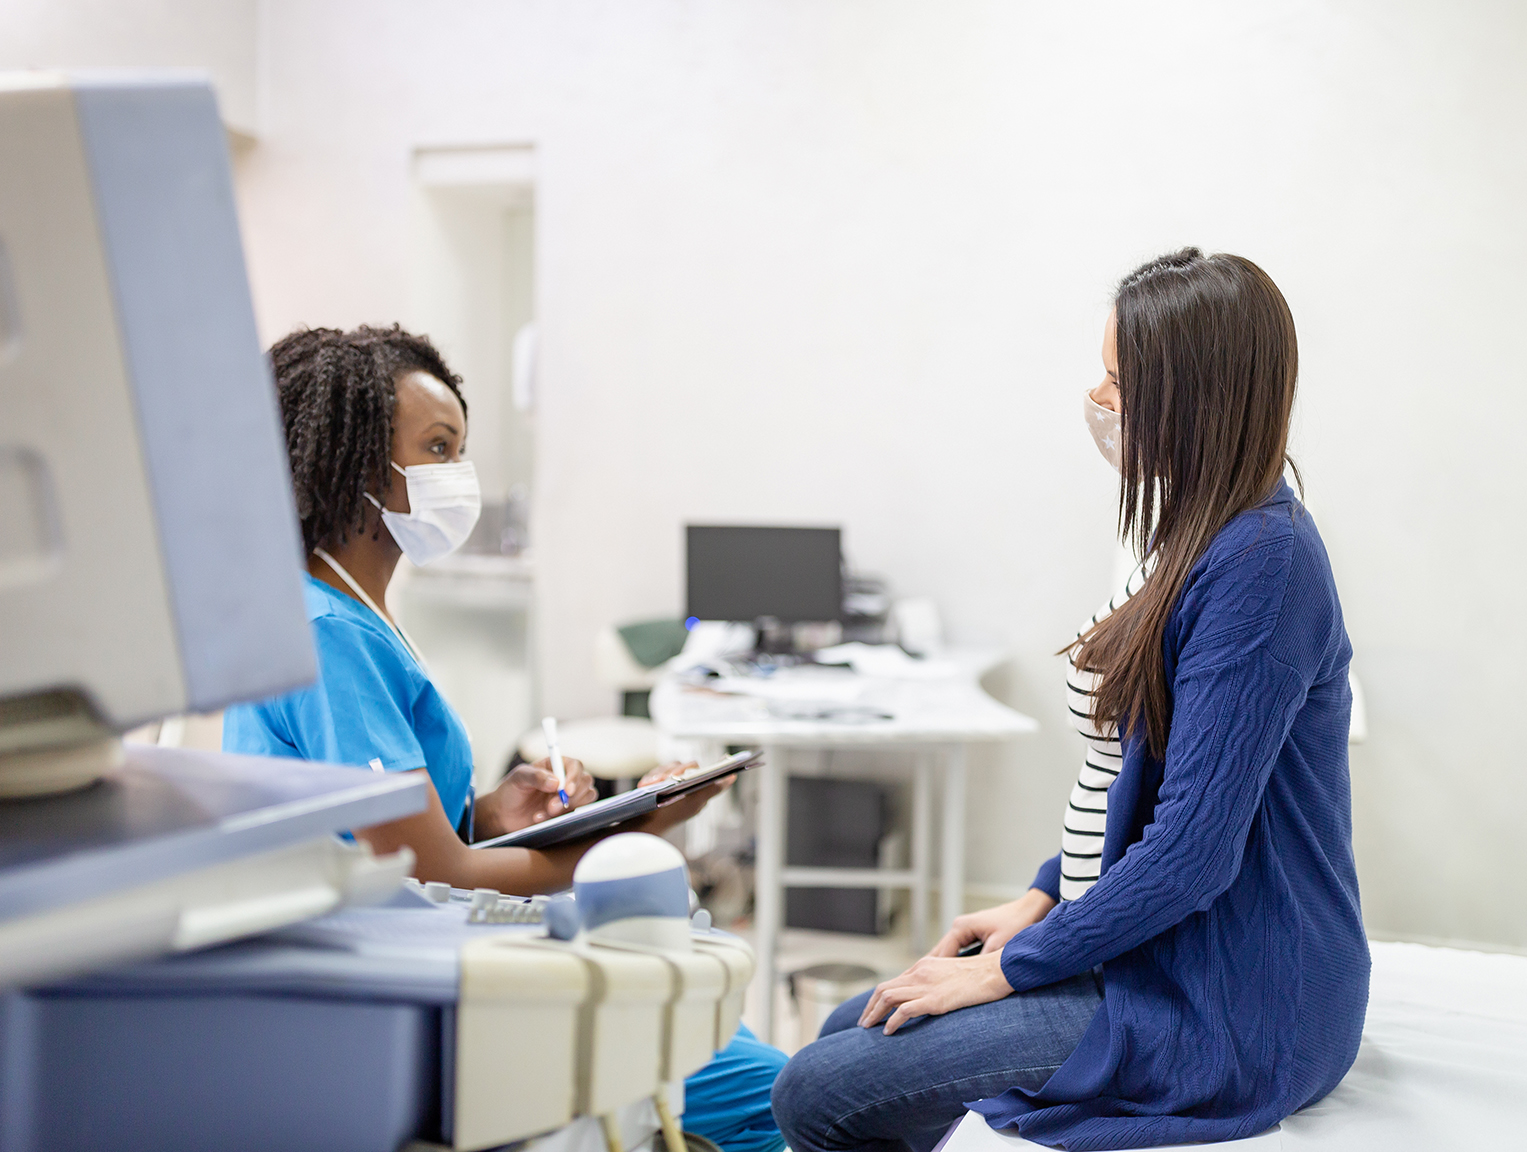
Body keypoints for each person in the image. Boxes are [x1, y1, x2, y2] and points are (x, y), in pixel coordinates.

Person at [771, 250, 1369, 1151]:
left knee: (817, 1091)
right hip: (1138, 953)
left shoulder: (1263, 563)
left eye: (1122, 380)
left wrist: (1012, 969)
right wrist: (1045, 896)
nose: (1100, 398)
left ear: (1191, 398)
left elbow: (1193, 854)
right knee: (848, 1030)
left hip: (1221, 997)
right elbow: (1136, 777)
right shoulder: (1205, 531)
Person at [223, 324, 785, 1152]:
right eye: (438, 448)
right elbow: (431, 871)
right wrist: (636, 831)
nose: (460, 477)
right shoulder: (326, 632)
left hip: (415, 938)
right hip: (404, 976)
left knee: (766, 1075)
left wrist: (497, 809)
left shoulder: (353, 616)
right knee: (781, 1097)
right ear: (353, 462)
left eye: (462, 449)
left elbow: (401, 832)